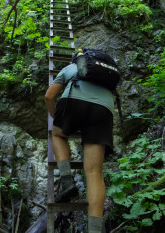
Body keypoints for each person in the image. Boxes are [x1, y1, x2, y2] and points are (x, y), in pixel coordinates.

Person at [45, 50, 114, 233]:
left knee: (58, 135)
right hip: (104, 109)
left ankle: (67, 180)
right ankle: (95, 229)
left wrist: (57, 119)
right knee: (94, 172)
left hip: (74, 101)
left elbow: (49, 96)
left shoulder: (70, 67)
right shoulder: (105, 76)